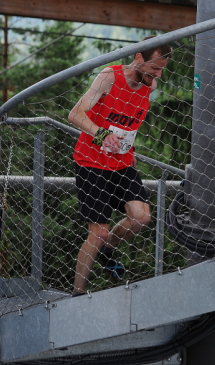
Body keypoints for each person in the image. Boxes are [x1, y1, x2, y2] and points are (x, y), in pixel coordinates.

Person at [68, 35, 172, 296]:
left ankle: (108, 247)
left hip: (122, 163)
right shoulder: (109, 77)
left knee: (142, 217)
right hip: (92, 163)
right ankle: (77, 293)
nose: (157, 74)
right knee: (97, 232)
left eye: (161, 69)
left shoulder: (150, 85)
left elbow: (128, 122)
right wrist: (102, 135)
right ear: (138, 58)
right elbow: (74, 114)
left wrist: (130, 147)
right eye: (154, 67)